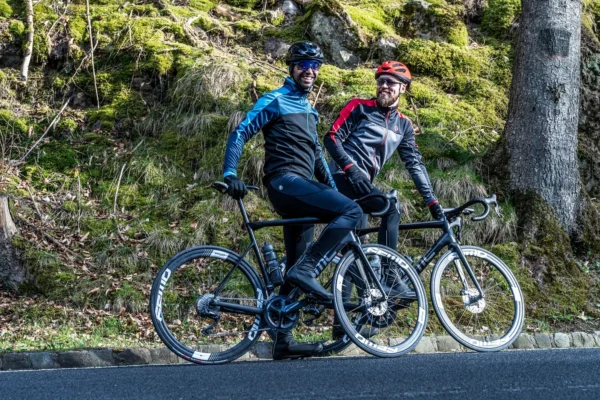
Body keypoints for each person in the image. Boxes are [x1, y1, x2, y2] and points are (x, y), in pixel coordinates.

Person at [222, 41, 363, 359]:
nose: (310, 71)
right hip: (285, 182)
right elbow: (240, 132)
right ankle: (307, 269)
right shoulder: (275, 99)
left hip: (302, 188)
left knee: (296, 267)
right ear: (292, 67)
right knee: (351, 212)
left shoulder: (310, 111)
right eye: (303, 64)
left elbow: (318, 157)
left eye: (315, 66)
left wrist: (334, 190)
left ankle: (282, 341)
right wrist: (230, 173)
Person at [323, 60, 444, 299]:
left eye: (390, 82)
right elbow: (332, 138)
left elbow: (415, 165)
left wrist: (432, 202)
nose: (384, 86)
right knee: (391, 208)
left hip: (362, 188)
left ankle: (345, 319)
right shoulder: (360, 108)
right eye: (381, 81)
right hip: (340, 179)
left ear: (403, 88)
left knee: (354, 254)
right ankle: (390, 275)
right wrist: (350, 169)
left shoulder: (404, 125)